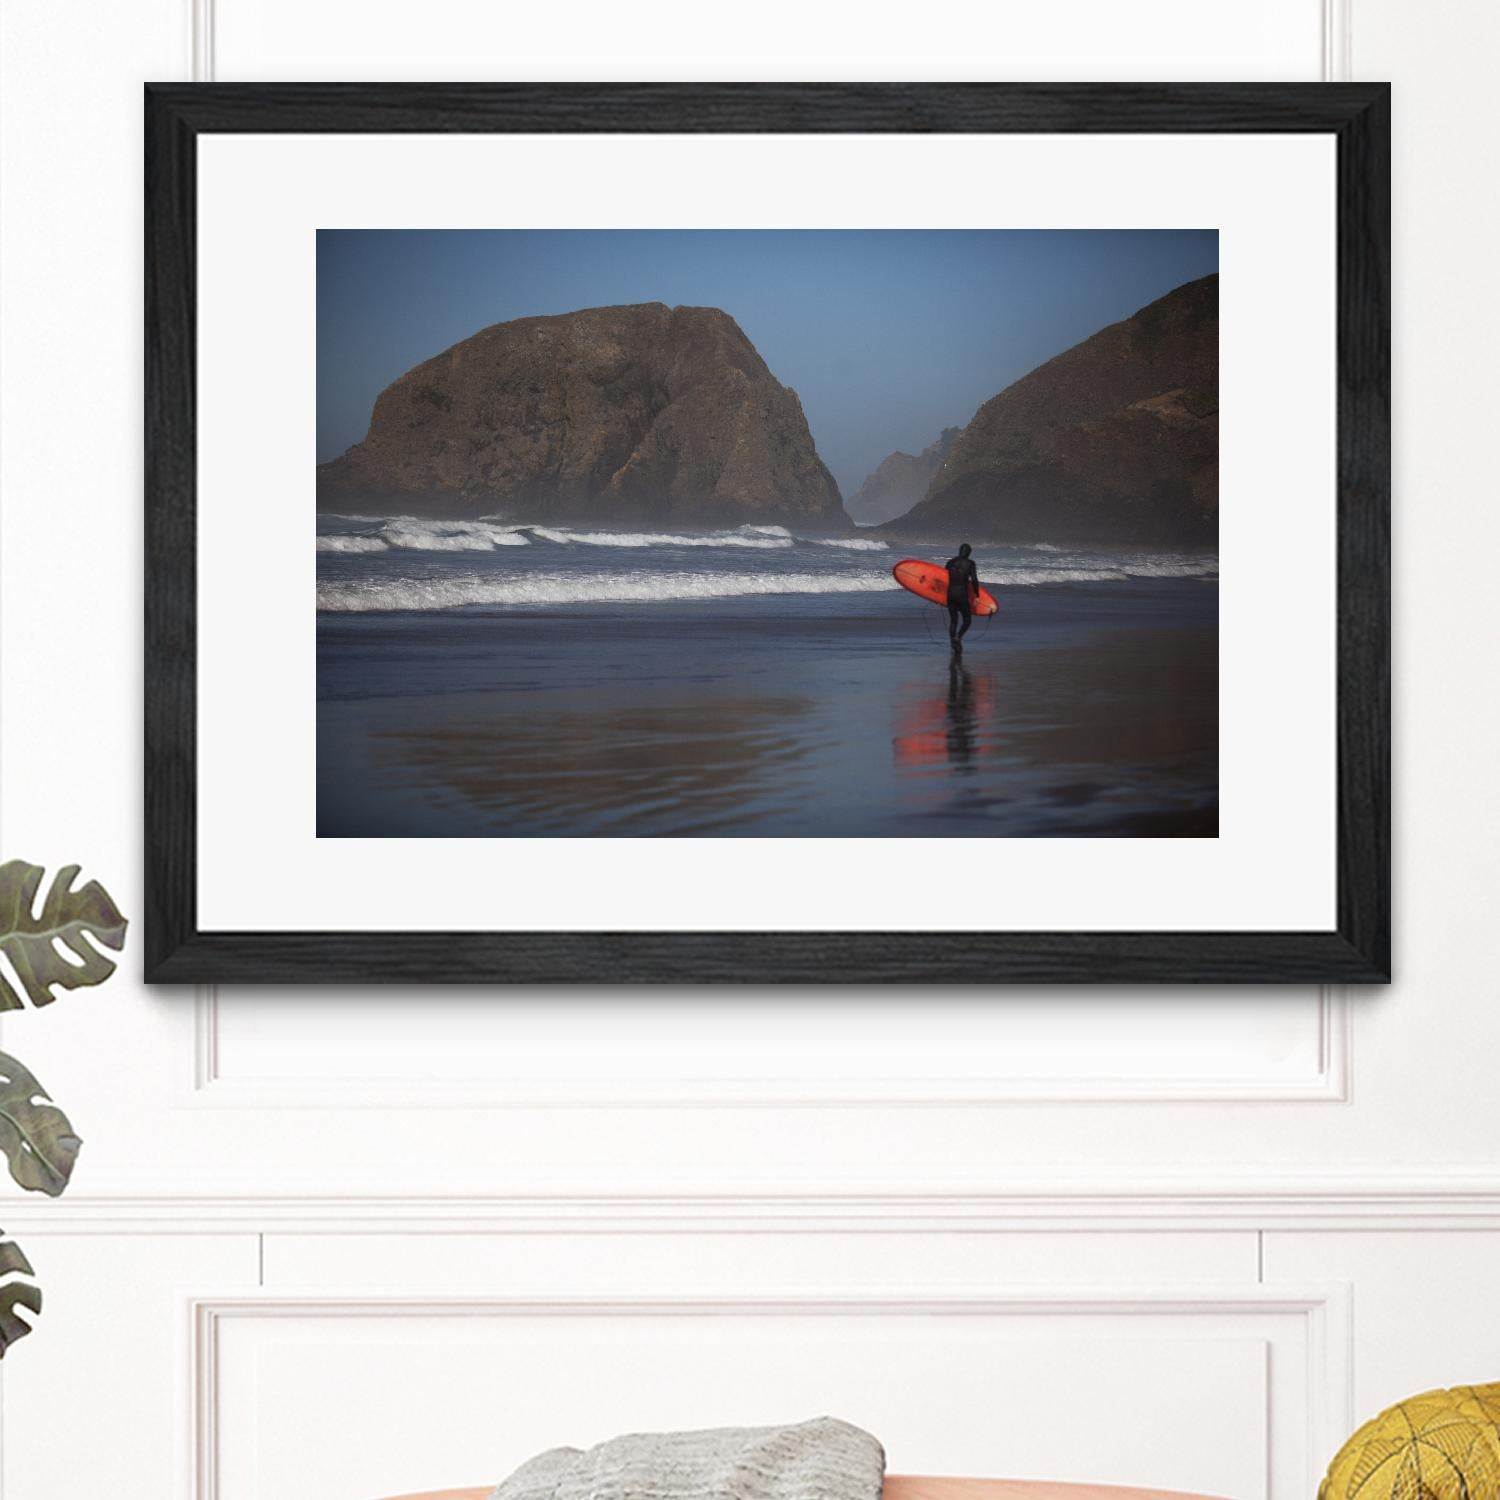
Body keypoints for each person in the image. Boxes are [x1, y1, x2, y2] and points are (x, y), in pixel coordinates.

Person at [944, 542, 980, 653]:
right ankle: (958, 637)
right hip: (962, 595)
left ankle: (953, 643)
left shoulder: (950, 562)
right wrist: (977, 595)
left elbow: (942, 577)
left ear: (960, 551)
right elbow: (974, 580)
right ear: (968, 553)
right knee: (967, 620)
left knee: (953, 621)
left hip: (950, 594)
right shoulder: (970, 563)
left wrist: (938, 595)